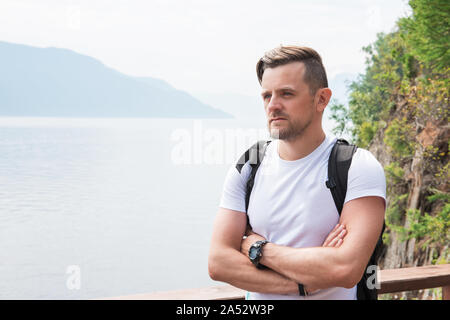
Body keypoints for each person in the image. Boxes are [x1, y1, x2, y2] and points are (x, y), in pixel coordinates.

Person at [208, 45, 386, 300]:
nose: (273, 105)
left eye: (286, 94)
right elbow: (218, 262)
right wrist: (303, 285)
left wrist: (258, 249)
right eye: (266, 96)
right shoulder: (248, 166)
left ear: (322, 99)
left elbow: (346, 268)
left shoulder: (357, 166)